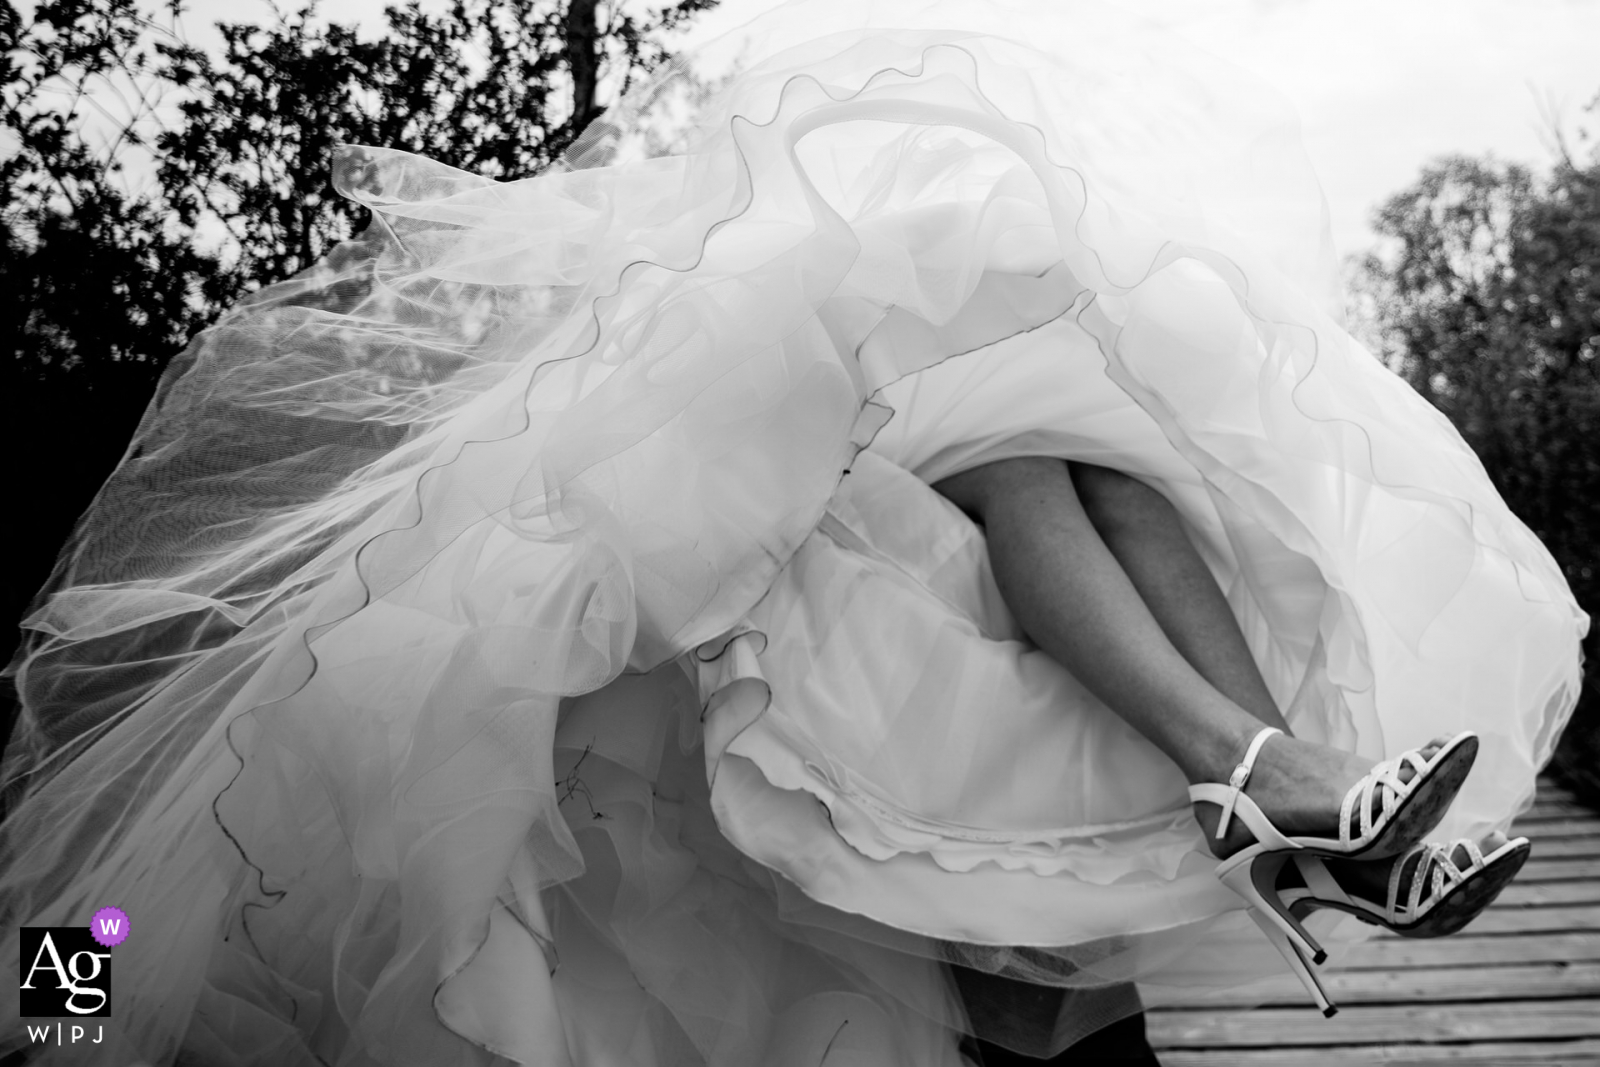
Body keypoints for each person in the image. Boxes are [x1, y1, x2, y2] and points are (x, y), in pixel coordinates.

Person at [0, 1, 1585, 1063]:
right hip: (750, 699)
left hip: (952, 720)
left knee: (1101, 475)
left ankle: (1285, 787)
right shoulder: (593, 418)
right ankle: (1276, 800)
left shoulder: (925, 412)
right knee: (141, 926)